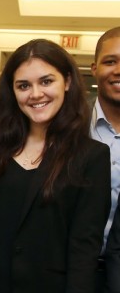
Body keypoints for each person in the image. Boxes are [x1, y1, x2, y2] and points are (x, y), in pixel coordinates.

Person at [0, 38, 111, 293]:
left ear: (67, 82)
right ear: (12, 91)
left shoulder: (91, 156)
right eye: (23, 85)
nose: (36, 94)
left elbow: (83, 249)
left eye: (46, 81)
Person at [91, 27, 120, 292]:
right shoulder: (68, 130)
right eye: (110, 61)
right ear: (94, 68)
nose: (118, 70)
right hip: (72, 274)